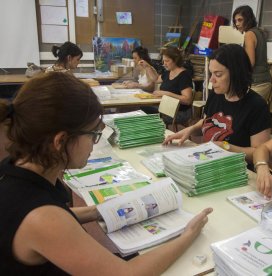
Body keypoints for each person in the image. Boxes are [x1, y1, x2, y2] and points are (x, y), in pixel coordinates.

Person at [0, 72, 212, 275]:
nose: (95, 143)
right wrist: (189, 234)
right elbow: (127, 274)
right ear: (60, 141)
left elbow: (59, 217)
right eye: (93, 134)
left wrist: (96, 211)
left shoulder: (17, 167)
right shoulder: (41, 217)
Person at [164, 44, 271, 164]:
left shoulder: (256, 106)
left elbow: (260, 153)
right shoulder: (216, 94)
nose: (211, 80)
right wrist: (190, 130)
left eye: (218, 74)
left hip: (235, 170)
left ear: (236, 73)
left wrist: (225, 147)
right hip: (209, 164)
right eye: (211, 74)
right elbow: (207, 122)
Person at [142, 46, 193, 124]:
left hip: (179, 112)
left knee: (146, 118)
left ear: (175, 60)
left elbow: (187, 100)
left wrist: (166, 93)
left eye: (167, 61)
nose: (164, 64)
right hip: (166, 109)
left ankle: (156, 134)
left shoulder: (184, 75)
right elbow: (155, 79)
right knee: (142, 109)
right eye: (163, 61)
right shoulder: (168, 72)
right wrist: (147, 67)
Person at [233, 5, 272, 102]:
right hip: (265, 81)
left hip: (258, 82)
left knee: (248, 113)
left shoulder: (249, 34)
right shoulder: (259, 32)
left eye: (240, 20)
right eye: (235, 21)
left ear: (248, 19)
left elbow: (250, 63)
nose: (237, 23)